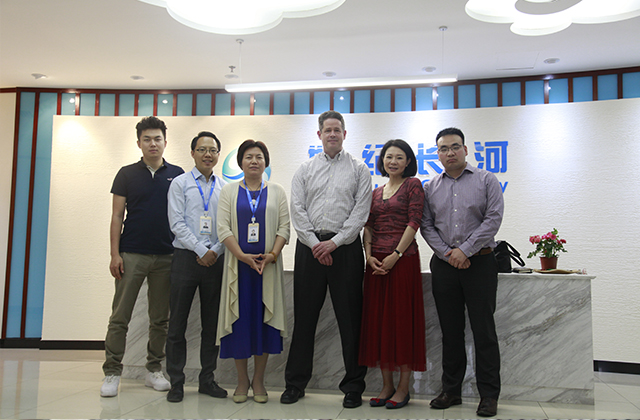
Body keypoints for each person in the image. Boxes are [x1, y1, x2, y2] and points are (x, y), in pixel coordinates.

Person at [282, 110, 372, 408]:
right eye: (327, 130)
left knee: (351, 320)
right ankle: (295, 384)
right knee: (304, 319)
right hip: (309, 249)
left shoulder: (359, 169)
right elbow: (297, 210)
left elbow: (361, 212)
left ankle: (353, 387)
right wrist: (314, 243)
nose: (332, 134)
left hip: (345, 249)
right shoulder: (305, 169)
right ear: (319, 134)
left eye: (337, 129)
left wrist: (334, 242)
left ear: (345, 134)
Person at [420, 127, 504, 417]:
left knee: (484, 331)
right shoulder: (430, 187)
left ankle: (489, 395)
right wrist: (448, 253)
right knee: (450, 331)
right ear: (438, 154)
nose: (450, 153)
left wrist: (464, 250)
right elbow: (426, 225)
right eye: (443, 149)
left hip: (480, 263)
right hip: (444, 266)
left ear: (465, 150)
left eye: (455, 147)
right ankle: (451, 391)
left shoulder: (486, 180)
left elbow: (493, 219)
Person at [101, 116, 184, 397]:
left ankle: (153, 369)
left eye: (157, 139)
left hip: (167, 255)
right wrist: (115, 254)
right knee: (119, 317)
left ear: (165, 142)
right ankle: (112, 372)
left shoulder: (177, 174)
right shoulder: (126, 174)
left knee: (160, 319)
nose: (153, 144)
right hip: (131, 254)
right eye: (147, 139)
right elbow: (116, 216)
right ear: (139, 143)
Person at [216, 140, 290, 404]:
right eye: (249, 157)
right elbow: (222, 228)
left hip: (266, 269)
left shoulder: (277, 191)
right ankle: (241, 381)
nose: (254, 161)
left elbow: (284, 228)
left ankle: (258, 380)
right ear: (240, 162)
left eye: (259, 157)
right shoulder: (229, 191)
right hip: (238, 269)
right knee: (239, 323)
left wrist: (272, 255)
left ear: (266, 162)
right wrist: (241, 256)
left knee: (263, 323)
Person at [359, 139, 425, 409]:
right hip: (376, 265)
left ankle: (403, 388)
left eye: (399, 157)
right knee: (379, 324)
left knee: (401, 323)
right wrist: (369, 256)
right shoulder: (376, 192)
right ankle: (386, 385)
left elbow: (414, 222)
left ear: (408, 161)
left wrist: (395, 255)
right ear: (382, 161)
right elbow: (368, 226)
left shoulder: (413, 185)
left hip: (402, 262)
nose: (393, 161)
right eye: (389, 157)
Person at [165, 131, 227, 402]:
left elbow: (229, 226)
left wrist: (215, 250)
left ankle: (207, 380)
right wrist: (202, 250)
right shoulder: (180, 183)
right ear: (192, 153)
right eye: (202, 149)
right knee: (177, 324)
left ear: (218, 155)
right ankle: (176, 382)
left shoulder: (225, 187)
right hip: (185, 259)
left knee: (211, 325)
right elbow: (176, 223)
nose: (207, 155)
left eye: (212, 150)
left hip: (216, 259)